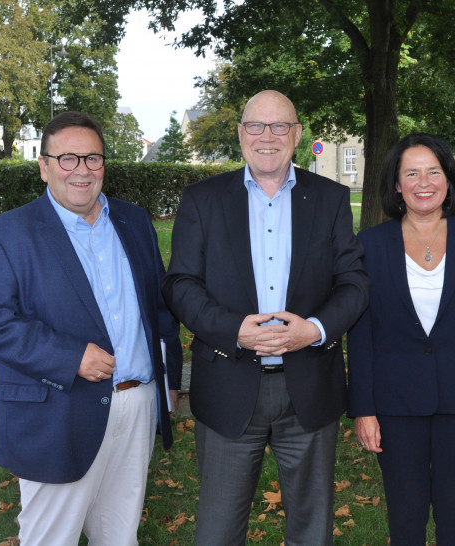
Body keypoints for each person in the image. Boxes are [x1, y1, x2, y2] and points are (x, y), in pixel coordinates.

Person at [162, 90, 369, 545]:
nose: (267, 137)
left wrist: (313, 331)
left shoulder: (331, 199)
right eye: (256, 126)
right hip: (228, 386)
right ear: (241, 134)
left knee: (312, 531)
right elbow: (179, 285)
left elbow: (354, 284)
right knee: (217, 532)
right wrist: (233, 329)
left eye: (280, 126)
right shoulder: (203, 199)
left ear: (296, 134)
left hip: (309, 391)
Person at [0, 111, 183, 545]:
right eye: (67, 158)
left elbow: (159, 305)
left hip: (137, 403)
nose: (82, 170)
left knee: (119, 536)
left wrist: (169, 376)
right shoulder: (6, 233)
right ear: (43, 166)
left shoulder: (134, 221)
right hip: (58, 412)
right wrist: (70, 357)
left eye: (92, 158)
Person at [347, 132, 455, 545]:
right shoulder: (369, 245)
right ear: (397, 185)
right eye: (412, 173)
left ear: (449, 179)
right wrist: (362, 409)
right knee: (405, 519)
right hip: (395, 405)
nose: (424, 182)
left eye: (434, 171)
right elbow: (361, 334)